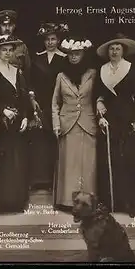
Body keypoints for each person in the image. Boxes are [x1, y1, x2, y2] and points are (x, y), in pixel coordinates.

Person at [94, 33, 135, 218]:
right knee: (109, 159)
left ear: (123, 51)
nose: (114, 51)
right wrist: (99, 108)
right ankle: (109, 202)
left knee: (129, 161)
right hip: (109, 120)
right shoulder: (102, 70)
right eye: (111, 49)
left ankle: (129, 202)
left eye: (118, 48)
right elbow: (98, 95)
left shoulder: (132, 69)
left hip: (128, 119)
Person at [0, 34, 33, 213]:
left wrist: (25, 117)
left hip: (17, 123)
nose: (7, 53)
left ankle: (16, 202)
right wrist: (1, 110)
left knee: (18, 161)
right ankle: (2, 203)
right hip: (0, 123)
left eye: (10, 50)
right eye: (3, 50)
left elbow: (23, 98)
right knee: (3, 162)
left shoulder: (16, 71)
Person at [52, 35, 97, 211]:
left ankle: (87, 202)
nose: (73, 57)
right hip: (67, 124)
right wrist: (56, 124)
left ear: (83, 54)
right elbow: (55, 102)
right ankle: (67, 202)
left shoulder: (92, 74)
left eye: (77, 54)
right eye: (70, 54)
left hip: (87, 123)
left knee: (87, 165)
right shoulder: (61, 76)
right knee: (69, 165)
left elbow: (98, 96)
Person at [28, 22, 69, 191]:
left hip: (59, 103)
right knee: (41, 141)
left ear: (58, 40)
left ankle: (57, 179)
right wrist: (32, 99)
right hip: (42, 103)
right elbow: (31, 81)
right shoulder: (37, 57)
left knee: (57, 139)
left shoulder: (65, 58)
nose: (50, 42)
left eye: (53, 39)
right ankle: (41, 179)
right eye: (47, 40)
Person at [0, 10, 32, 85]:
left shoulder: (21, 46)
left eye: (10, 25)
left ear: (14, 26)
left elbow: (27, 70)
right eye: (4, 25)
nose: (7, 28)